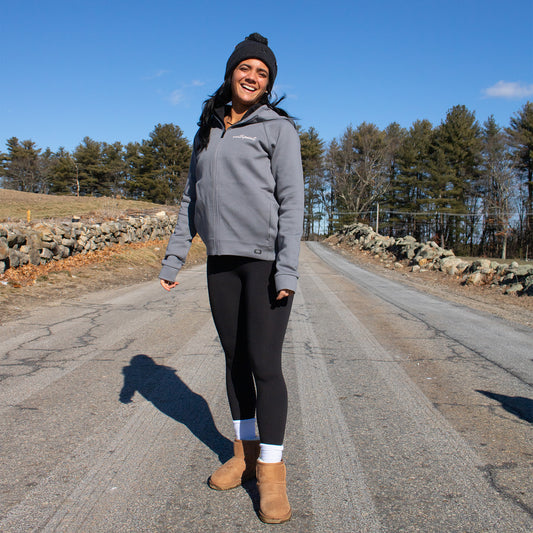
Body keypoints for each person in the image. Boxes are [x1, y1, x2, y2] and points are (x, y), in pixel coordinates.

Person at [159, 32, 304, 524]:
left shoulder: (278, 129)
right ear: (231, 72)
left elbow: (292, 202)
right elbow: (191, 199)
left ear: (269, 84)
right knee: (235, 360)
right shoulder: (208, 130)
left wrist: (287, 268)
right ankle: (244, 453)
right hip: (220, 262)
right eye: (246, 68)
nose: (253, 77)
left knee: (265, 364)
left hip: (264, 263)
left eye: (262, 73)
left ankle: (271, 471)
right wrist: (175, 257)